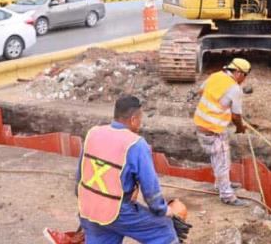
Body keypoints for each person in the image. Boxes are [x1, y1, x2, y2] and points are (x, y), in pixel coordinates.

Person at [72, 95, 190, 244]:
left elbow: (80, 175)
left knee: (103, 235)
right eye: (140, 119)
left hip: (88, 208)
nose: (140, 124)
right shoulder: (135, 144)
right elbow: (150, 190)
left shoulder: (93, 133)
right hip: (116, 211)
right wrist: (163, 211)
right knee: (163, 230)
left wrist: (87, 199)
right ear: (134, 119)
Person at [194, 58, 251, 207]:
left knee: (216, 157)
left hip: (201, 125)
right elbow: (236, 115)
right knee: (223, 161)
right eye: (245, 75)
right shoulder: (234, 88)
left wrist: (218, 107)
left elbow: (202, 90)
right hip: (214, 129)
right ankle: (227, 195)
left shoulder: (216, 76)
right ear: (238, 73)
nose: (244, 80)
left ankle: (220, 184)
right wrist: (240, 128)